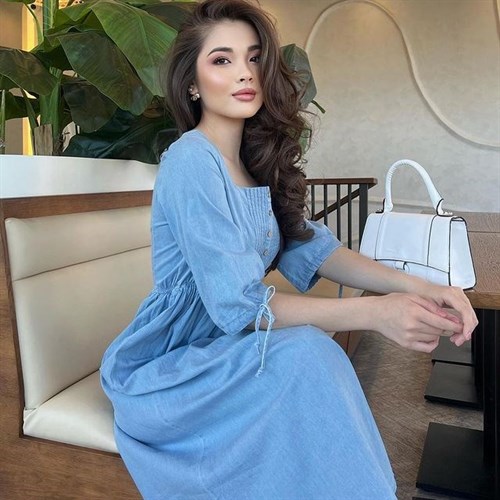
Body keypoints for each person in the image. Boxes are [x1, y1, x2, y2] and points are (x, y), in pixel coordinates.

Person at [100, 1, 478, 498]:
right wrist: (376, 313)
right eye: (222, 60)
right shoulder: (191, 160)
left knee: (311, 356)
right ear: (191, 83)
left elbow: (315, 249)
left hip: (225, 348)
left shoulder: (252, 162)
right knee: (307, 354)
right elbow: (237, 305)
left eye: (254, 57)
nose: (245, 72)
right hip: (172, 366)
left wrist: (421, 286)